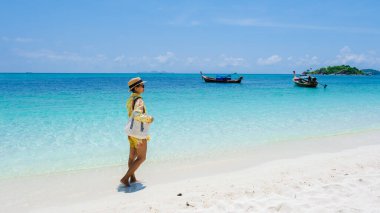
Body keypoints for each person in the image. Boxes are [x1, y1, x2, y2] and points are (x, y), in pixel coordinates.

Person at [120, 77, 154, 187]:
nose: (144, 87)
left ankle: (132, 178)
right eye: (142, 86)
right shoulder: (139, 100)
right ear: (136, 87)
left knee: (132, 157)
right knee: (142, 157)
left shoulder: (130, 99)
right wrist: (149, 118)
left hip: (131, 131)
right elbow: (137, 115)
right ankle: (125, 178)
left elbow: (131, 115)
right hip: (138, 133)